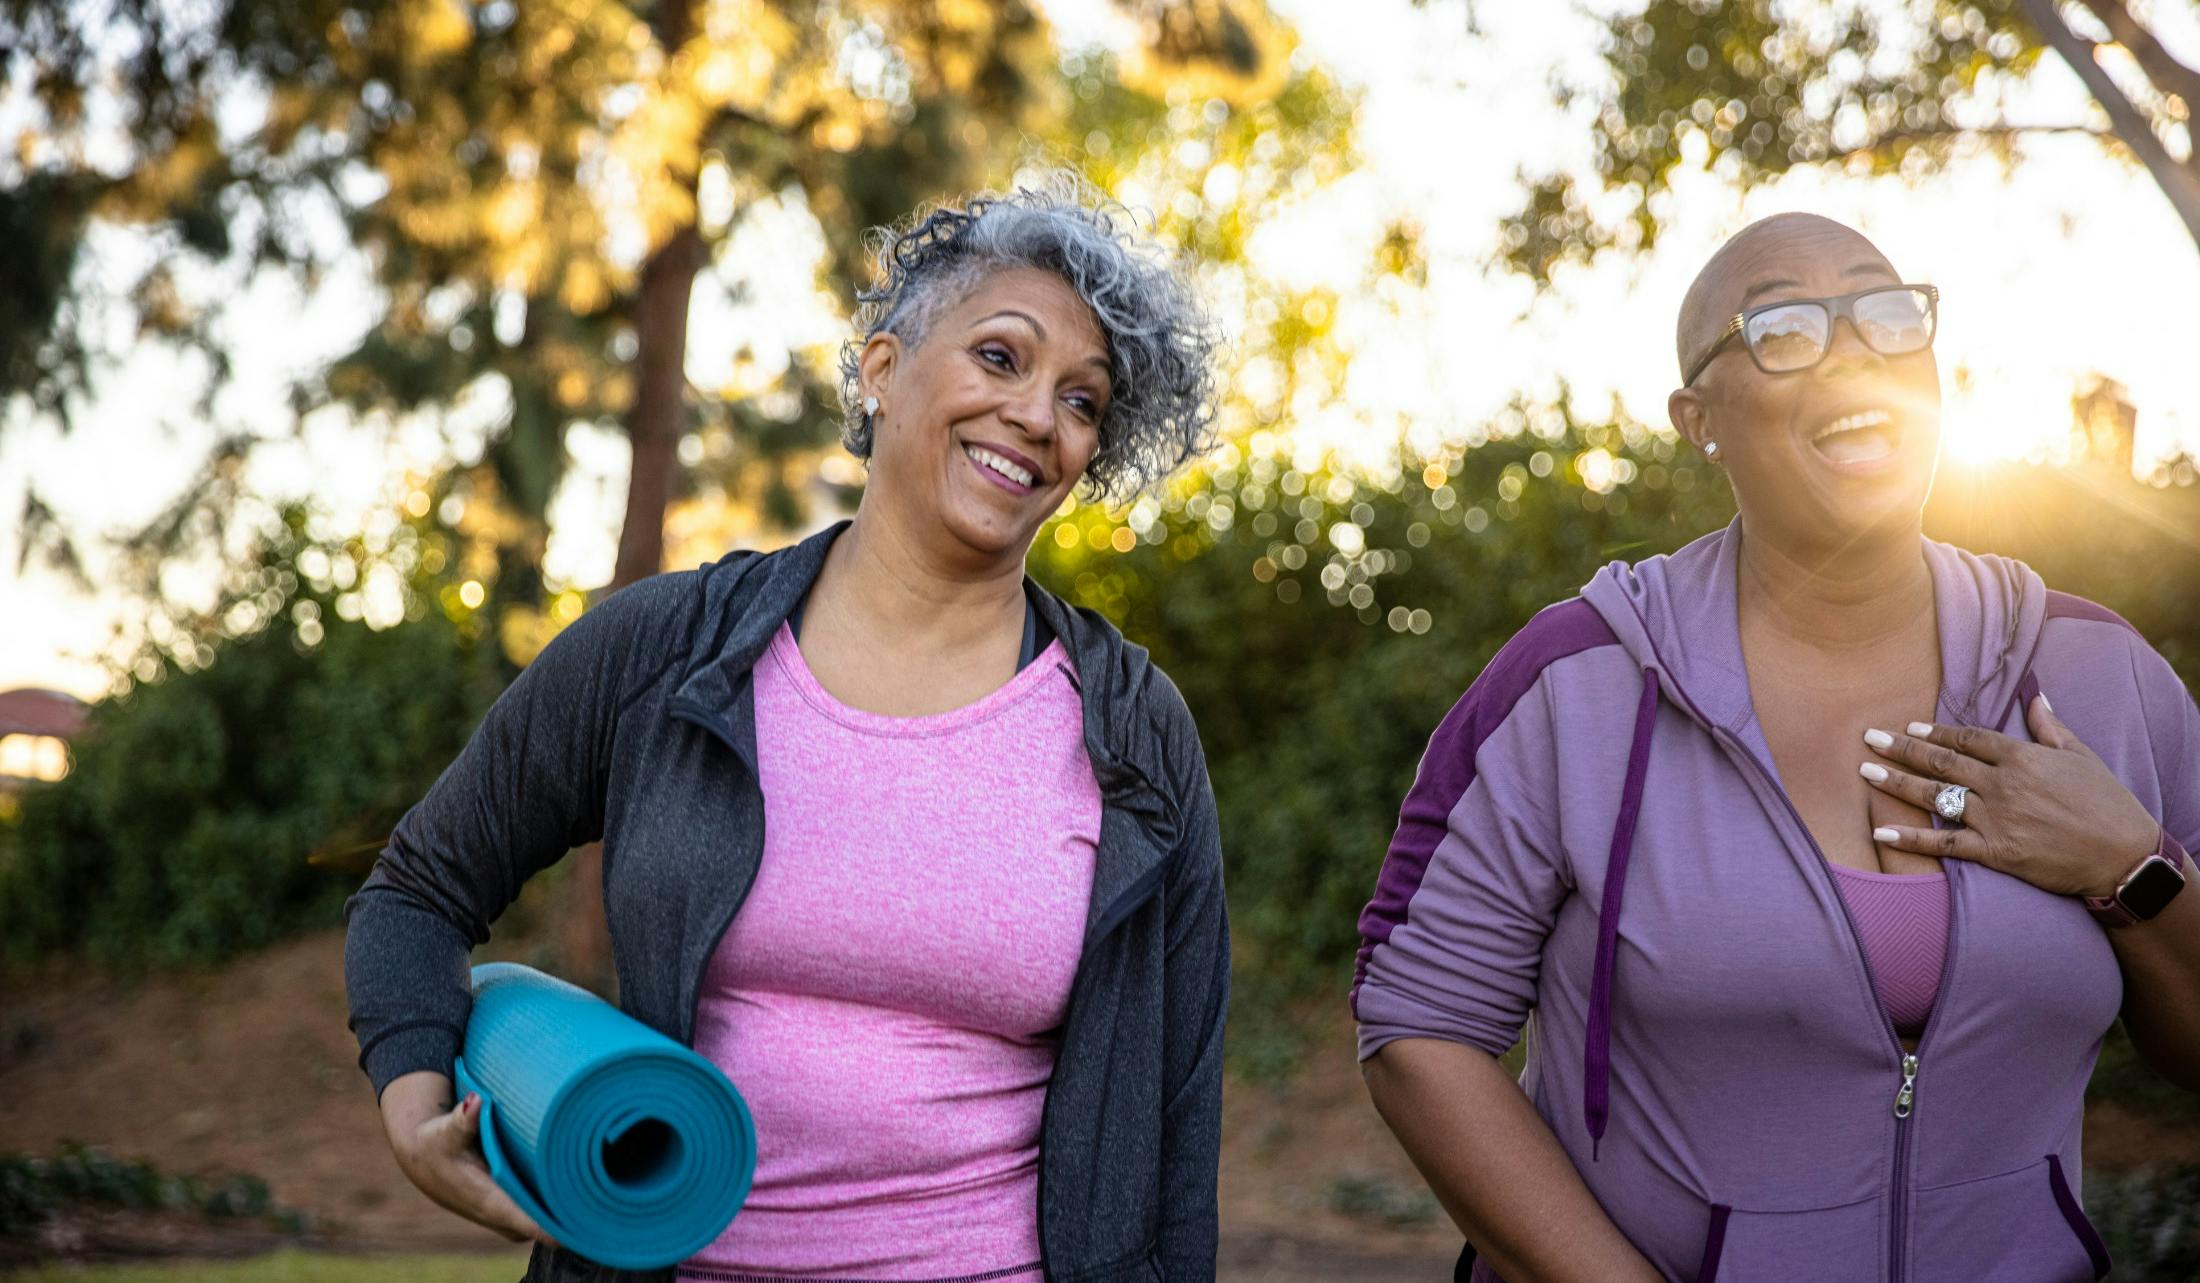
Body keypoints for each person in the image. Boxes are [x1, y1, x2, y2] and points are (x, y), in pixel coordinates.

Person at [345, 177, 1230, 1283]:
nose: (1037, 416)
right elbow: (419, 889)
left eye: (1082, 400)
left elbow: (1179, 1109)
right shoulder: (664, 647)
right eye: (1000, 357)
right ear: (882, 369)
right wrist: (414, 1105)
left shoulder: (1134, 730)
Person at [1353, 212, 2200, 1282]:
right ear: (1698, 419)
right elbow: (1417, 1022)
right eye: (1785, 327)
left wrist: (2130, 865)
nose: (1853, 350)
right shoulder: (1574, 685)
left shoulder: (2100, 676)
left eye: (1886, 313)